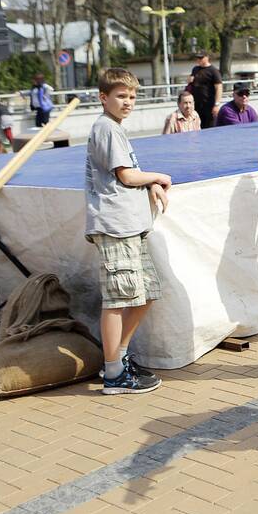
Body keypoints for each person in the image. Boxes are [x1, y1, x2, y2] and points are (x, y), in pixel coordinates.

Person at [85, 67, 170, 395]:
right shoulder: (106, 128)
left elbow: (126, 175)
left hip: (131, 226)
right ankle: (113, 374)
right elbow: (126, 176)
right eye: (121, 96)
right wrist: (159, 178)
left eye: (132, 96)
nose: (128, 102)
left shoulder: (114, 129)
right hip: (116, 227)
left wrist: (148, 185)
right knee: (117, 300)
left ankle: (118, 357)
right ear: (103, 98)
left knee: (146, 293)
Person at [188, 51, 223, 129]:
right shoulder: (195, 69)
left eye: (201, 58)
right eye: (197, 58)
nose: (198, 60)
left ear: (207, 57)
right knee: (196, 127)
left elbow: (219, 88)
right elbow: (190, 82)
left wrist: (216, 105)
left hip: (209, 105)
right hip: (196, 105)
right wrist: (189, 79)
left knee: (210, 128)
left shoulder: (213, 71)